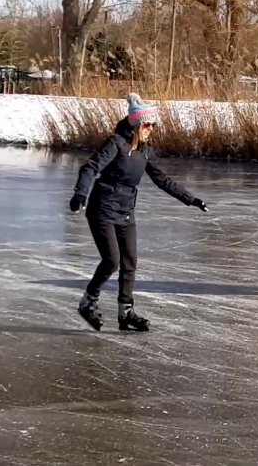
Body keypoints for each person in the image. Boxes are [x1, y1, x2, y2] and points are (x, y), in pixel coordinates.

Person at [69, 93, 208, 332]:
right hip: (102, 208)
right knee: (112, 260)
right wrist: (80, 194)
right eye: (147, 124)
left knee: (129, 262)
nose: (151, 128)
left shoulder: (145, 151)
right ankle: (87, 302)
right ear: (135, 124)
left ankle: (126, 313)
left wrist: (191, 199)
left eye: (153, 125)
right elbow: (90, 168)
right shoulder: (115, 143)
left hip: (125, 211)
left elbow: (162, 179)